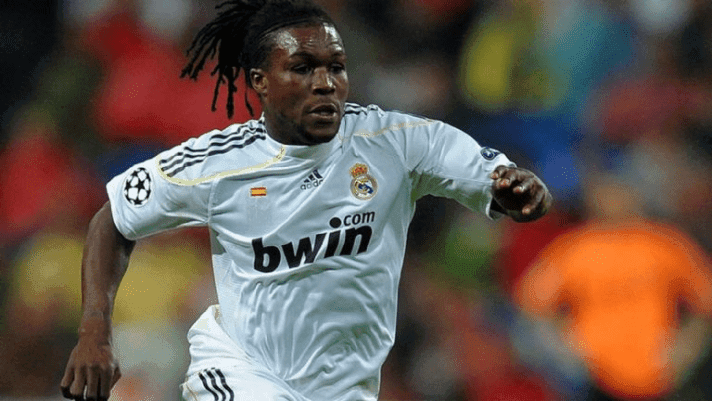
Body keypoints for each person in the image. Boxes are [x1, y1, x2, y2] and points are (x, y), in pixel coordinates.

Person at [60, 0, 552, 400]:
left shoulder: (392, 141)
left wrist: (513, 186)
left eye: (335, 67)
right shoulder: (222, 163)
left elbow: (483, 170)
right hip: (243, 374)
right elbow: (114, 219)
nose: (324, 83)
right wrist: (94, 330)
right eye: (302, 68)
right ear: (260, 81)